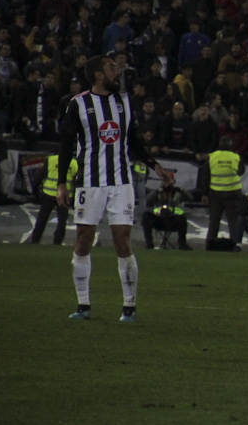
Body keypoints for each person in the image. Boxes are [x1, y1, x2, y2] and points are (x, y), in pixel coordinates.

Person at [57, 54, 173, 322]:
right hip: (89, 182)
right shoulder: (78, 104)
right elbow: (65, 145)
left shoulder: (125, 101)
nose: (117, 71)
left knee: (122, 241)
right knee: (83, 241)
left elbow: (133, 141)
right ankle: (83, 305)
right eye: (112, 68)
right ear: (99, 74)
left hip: (121, 182)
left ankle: (129, 307)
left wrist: (155, 165)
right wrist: (62, 182)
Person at [201, 137, 244, 249]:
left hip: (215, 194)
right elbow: (241, 171)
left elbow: (205, 176)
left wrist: (204, 194)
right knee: (233, 221)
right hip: (232, 193)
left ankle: (209, 245)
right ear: (230, 145)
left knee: (214, 221)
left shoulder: (212, 157)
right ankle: (235, 246)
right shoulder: (235, 157)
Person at [28, 154, 78, 245]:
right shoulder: (74, 163)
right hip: (65, 196)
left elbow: (40, 175)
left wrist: (35, 189)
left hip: (48, 194)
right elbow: (76, 182)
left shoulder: (51, 160)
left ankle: (35, 239)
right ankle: (57, 241)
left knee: (42, 218)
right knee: (62, 220)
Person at [141, 184, 192, 250]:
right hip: (159, 220)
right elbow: (147, 199)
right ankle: (149, 244)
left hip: (172, 220)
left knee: (183, 218)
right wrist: (157, 191)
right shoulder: (158, 194)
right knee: (146, 215)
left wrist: (180, 189)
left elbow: (190, 198)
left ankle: (182, 244)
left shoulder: (177, 195)